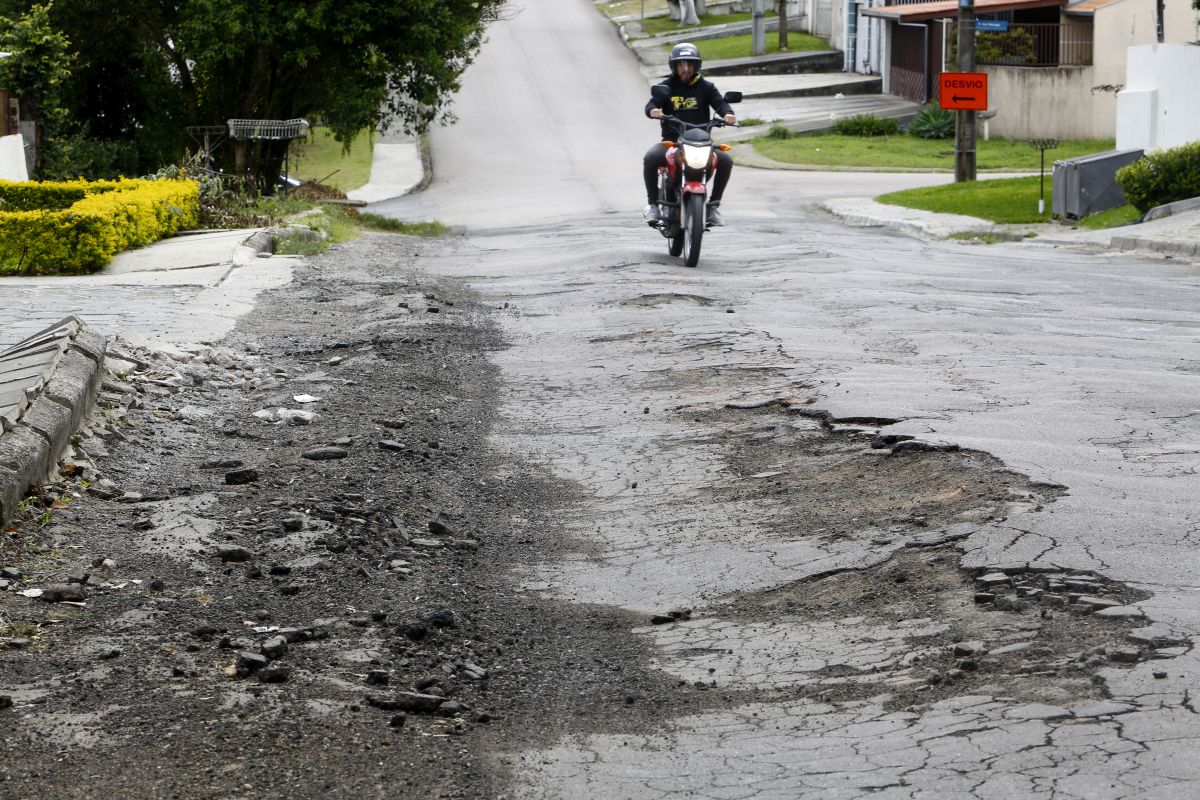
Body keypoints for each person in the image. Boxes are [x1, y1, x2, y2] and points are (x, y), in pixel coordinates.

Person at [643, 42, 736, 227]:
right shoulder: (666, 86)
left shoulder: (706, 87)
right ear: (674, 66)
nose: (685, 69)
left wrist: (728, 114)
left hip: (701, 142)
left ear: (697, 66)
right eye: (681, 64)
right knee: (651, 158)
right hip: (672, 142)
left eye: (690, 64)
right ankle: (652, 205)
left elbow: (720, 103)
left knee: (726, 160)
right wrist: (653, 110)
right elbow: (652, 104)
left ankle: (713, 206)